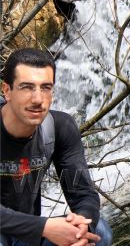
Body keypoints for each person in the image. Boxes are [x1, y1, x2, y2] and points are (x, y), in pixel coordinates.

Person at [0, 49, 112, 246]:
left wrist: (82, 222)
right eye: (26, 87)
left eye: (45, 88)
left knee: (98, 232)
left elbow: (83, 194)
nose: (37, 99)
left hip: (25, 235)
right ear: (6, 91)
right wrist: (44, 227)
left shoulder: (59, 128)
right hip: (23, 229)